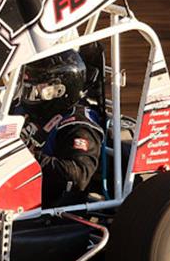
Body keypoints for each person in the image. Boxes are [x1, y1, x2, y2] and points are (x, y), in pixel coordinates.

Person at [14, 50, 105, 207]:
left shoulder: (78, 125)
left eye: (35, 86)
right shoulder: (28, 109)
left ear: (57, 90)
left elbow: (78, 176)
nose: (29, 91)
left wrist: (31, 159)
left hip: (47, 205)